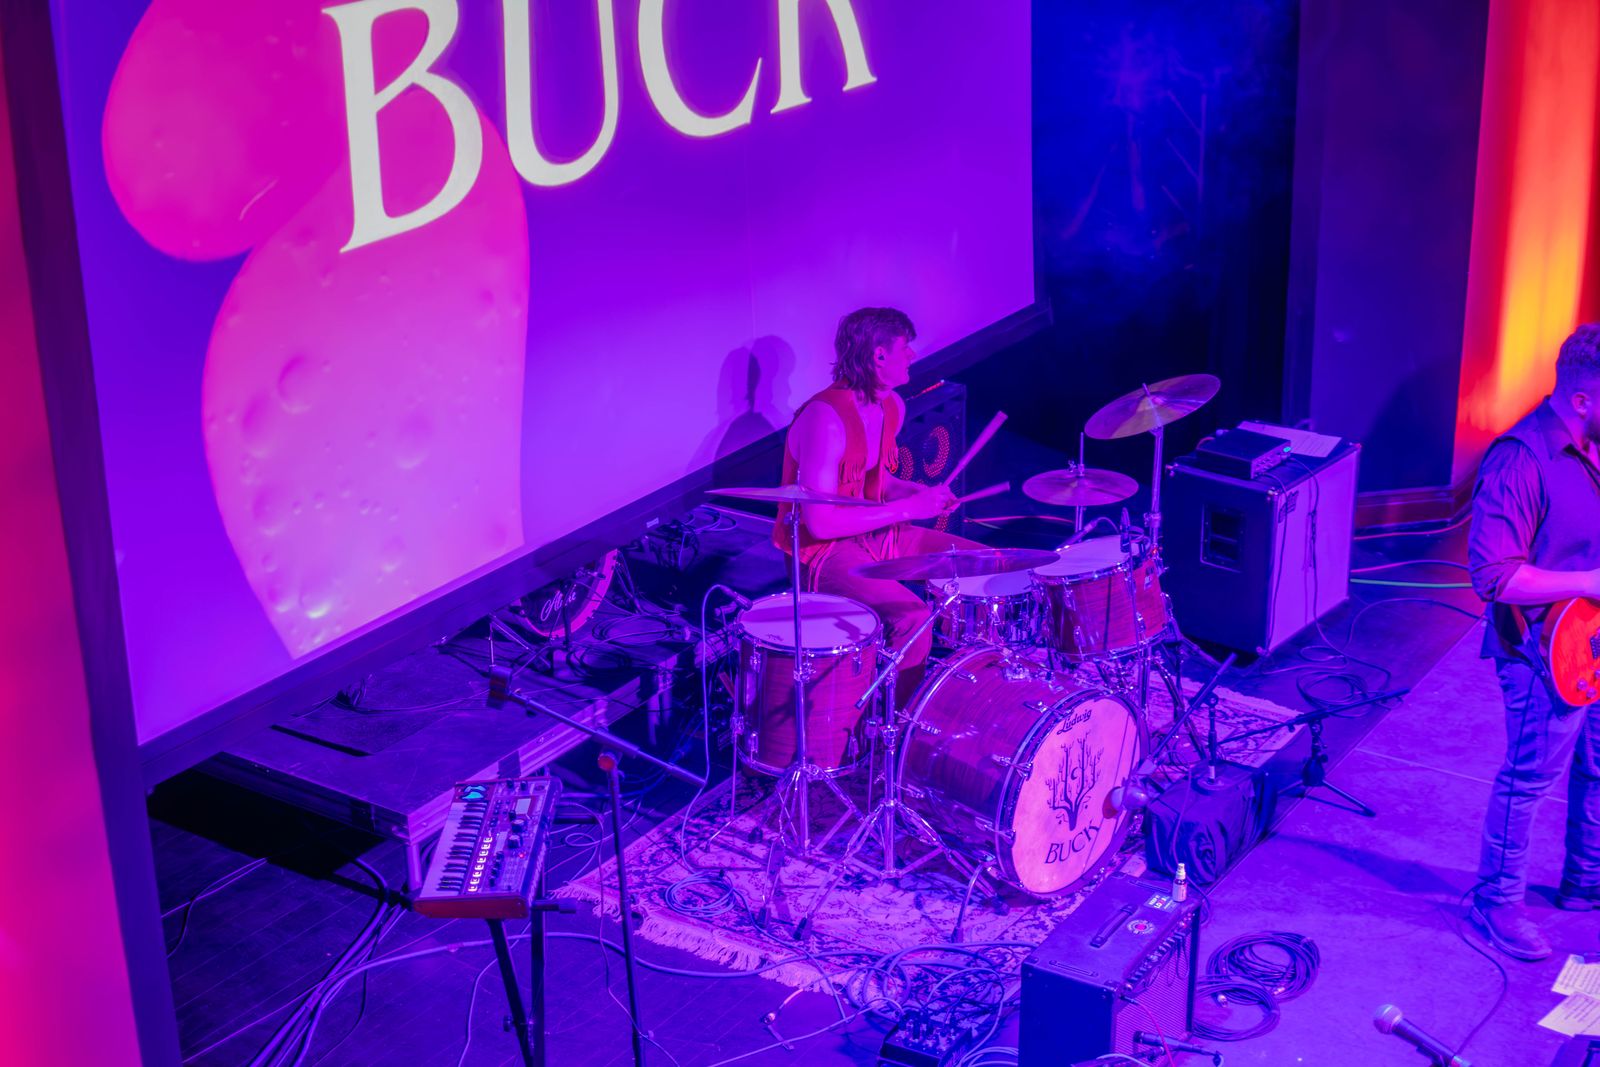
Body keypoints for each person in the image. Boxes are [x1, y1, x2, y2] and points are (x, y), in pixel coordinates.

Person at [1467, 322, 1600, 961]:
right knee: (1529, 780)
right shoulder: (1520, 458)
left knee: (1597, 764)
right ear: (1582, 398)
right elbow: (1494, 576)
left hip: (1591, 641)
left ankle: (1585, 880)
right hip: (1541, 655)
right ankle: (1494, 903)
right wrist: (1591, 582)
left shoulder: (1593, 446)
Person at [774, 307, 984, 705]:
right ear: (879, 355)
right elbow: (820, 524)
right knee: (912, 618)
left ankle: (972, 693)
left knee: (985, 563)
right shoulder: (825, 419)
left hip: (873, 533)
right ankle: (894, 724)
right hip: (822, 552)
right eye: (905, 348)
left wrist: (919, 493)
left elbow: (878, 482)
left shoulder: (891, 407)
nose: (912, 356)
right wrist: (909, 510)